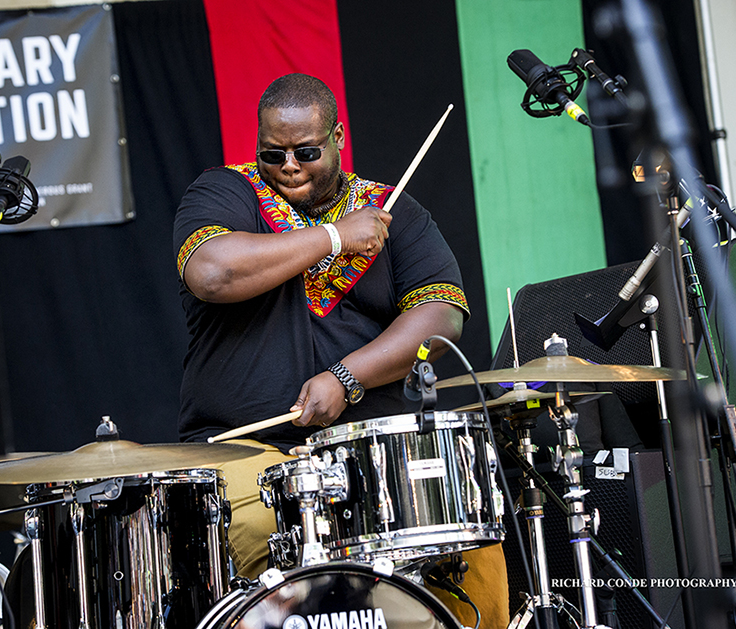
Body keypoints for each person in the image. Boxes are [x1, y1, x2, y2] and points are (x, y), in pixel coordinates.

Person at [173, 73, 507, 627]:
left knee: (473, 554)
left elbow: (442, 313)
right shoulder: (224, 192)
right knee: (271, 541)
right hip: (245, 454)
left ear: (338, 137)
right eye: (272, 153)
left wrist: (347, 376)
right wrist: (334, 239)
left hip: (373, 453)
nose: (289, 166)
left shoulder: (394, 211)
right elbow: (211, 272)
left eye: (306, 150)